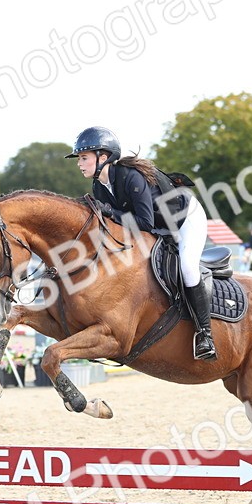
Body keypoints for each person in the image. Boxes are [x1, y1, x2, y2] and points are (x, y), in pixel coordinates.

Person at [66, 125, 217, 360]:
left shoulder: (130, 177)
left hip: (184, 219)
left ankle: (205, 335)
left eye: (84, 157)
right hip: (158, 227)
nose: (79, 163)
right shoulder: (98, 186)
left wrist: (109, 211)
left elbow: (144, 222)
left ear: (103, 157)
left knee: (187, 266)